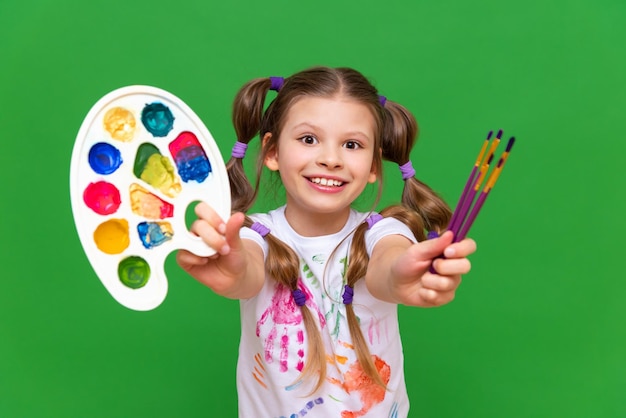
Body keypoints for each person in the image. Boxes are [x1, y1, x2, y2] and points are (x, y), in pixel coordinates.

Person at [176, 66, 477, 418]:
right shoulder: (252, 236)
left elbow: (391, 266)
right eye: (308, 139)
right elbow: (246, 269)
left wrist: (404, 275)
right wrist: (232, 268)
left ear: (374, 167)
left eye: (352, 145)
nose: (331, 159)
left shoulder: (383, 233)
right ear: (271, 151)